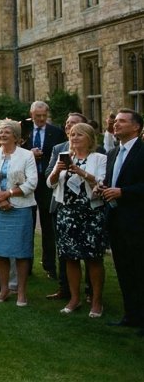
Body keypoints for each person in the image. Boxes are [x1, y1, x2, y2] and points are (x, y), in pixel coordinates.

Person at [47, 122, 107, 317]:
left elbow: (101, 182)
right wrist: (57, 171)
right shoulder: (64, 157)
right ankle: (74, 299)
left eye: (79, 135)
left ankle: (96, 301)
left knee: (93, 258)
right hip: (67, 213)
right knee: (70, 258)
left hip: (90, 213)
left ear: (89, 138)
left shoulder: (99, 158)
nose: (74, 138)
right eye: (72, 135)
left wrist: (80, 171)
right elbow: (51, 184)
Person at [0, 120, 37, 307]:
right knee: (0, 251)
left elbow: (32, 183)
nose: (2, 135)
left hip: (19, 208)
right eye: (1, 133)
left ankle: (21, 292)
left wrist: (9, 194)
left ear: (16, 137)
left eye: (7, 132)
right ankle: (4, 290)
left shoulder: (26, 155)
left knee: (21, 252)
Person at [98, 109, 144, 333]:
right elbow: (111, 180)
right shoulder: (114, 153)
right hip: (116, 220)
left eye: (122, 122)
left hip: (137, 220)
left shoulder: (142, 152)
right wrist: (103, 188)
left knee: (139, 270)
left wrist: (122, 192)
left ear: (136, 127)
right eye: (115, 121)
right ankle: (131, 314)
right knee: (124, 269)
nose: (116, 125)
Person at [42, 112, 90, 301]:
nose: (71, 128)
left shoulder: (97, 152)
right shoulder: (59, 149)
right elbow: (48, 175)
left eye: (76, 124)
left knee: (89, 252)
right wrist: (57, 170)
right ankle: (65, 289)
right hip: (62, 207)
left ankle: (90, 291)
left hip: (87, 208)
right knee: (65, 251)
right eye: (68, 124)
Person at [22, 101, 66, 279]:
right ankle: (27, 265)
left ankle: (49, 265)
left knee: (48, 225)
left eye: (44, 116)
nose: (40, 119)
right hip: (28, 183)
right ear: (31, 114)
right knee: (27, 224)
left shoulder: (56, 132)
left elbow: (62, 154)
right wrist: (29, 153)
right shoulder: (23, 130)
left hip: (47, 182)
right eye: (37, 116)